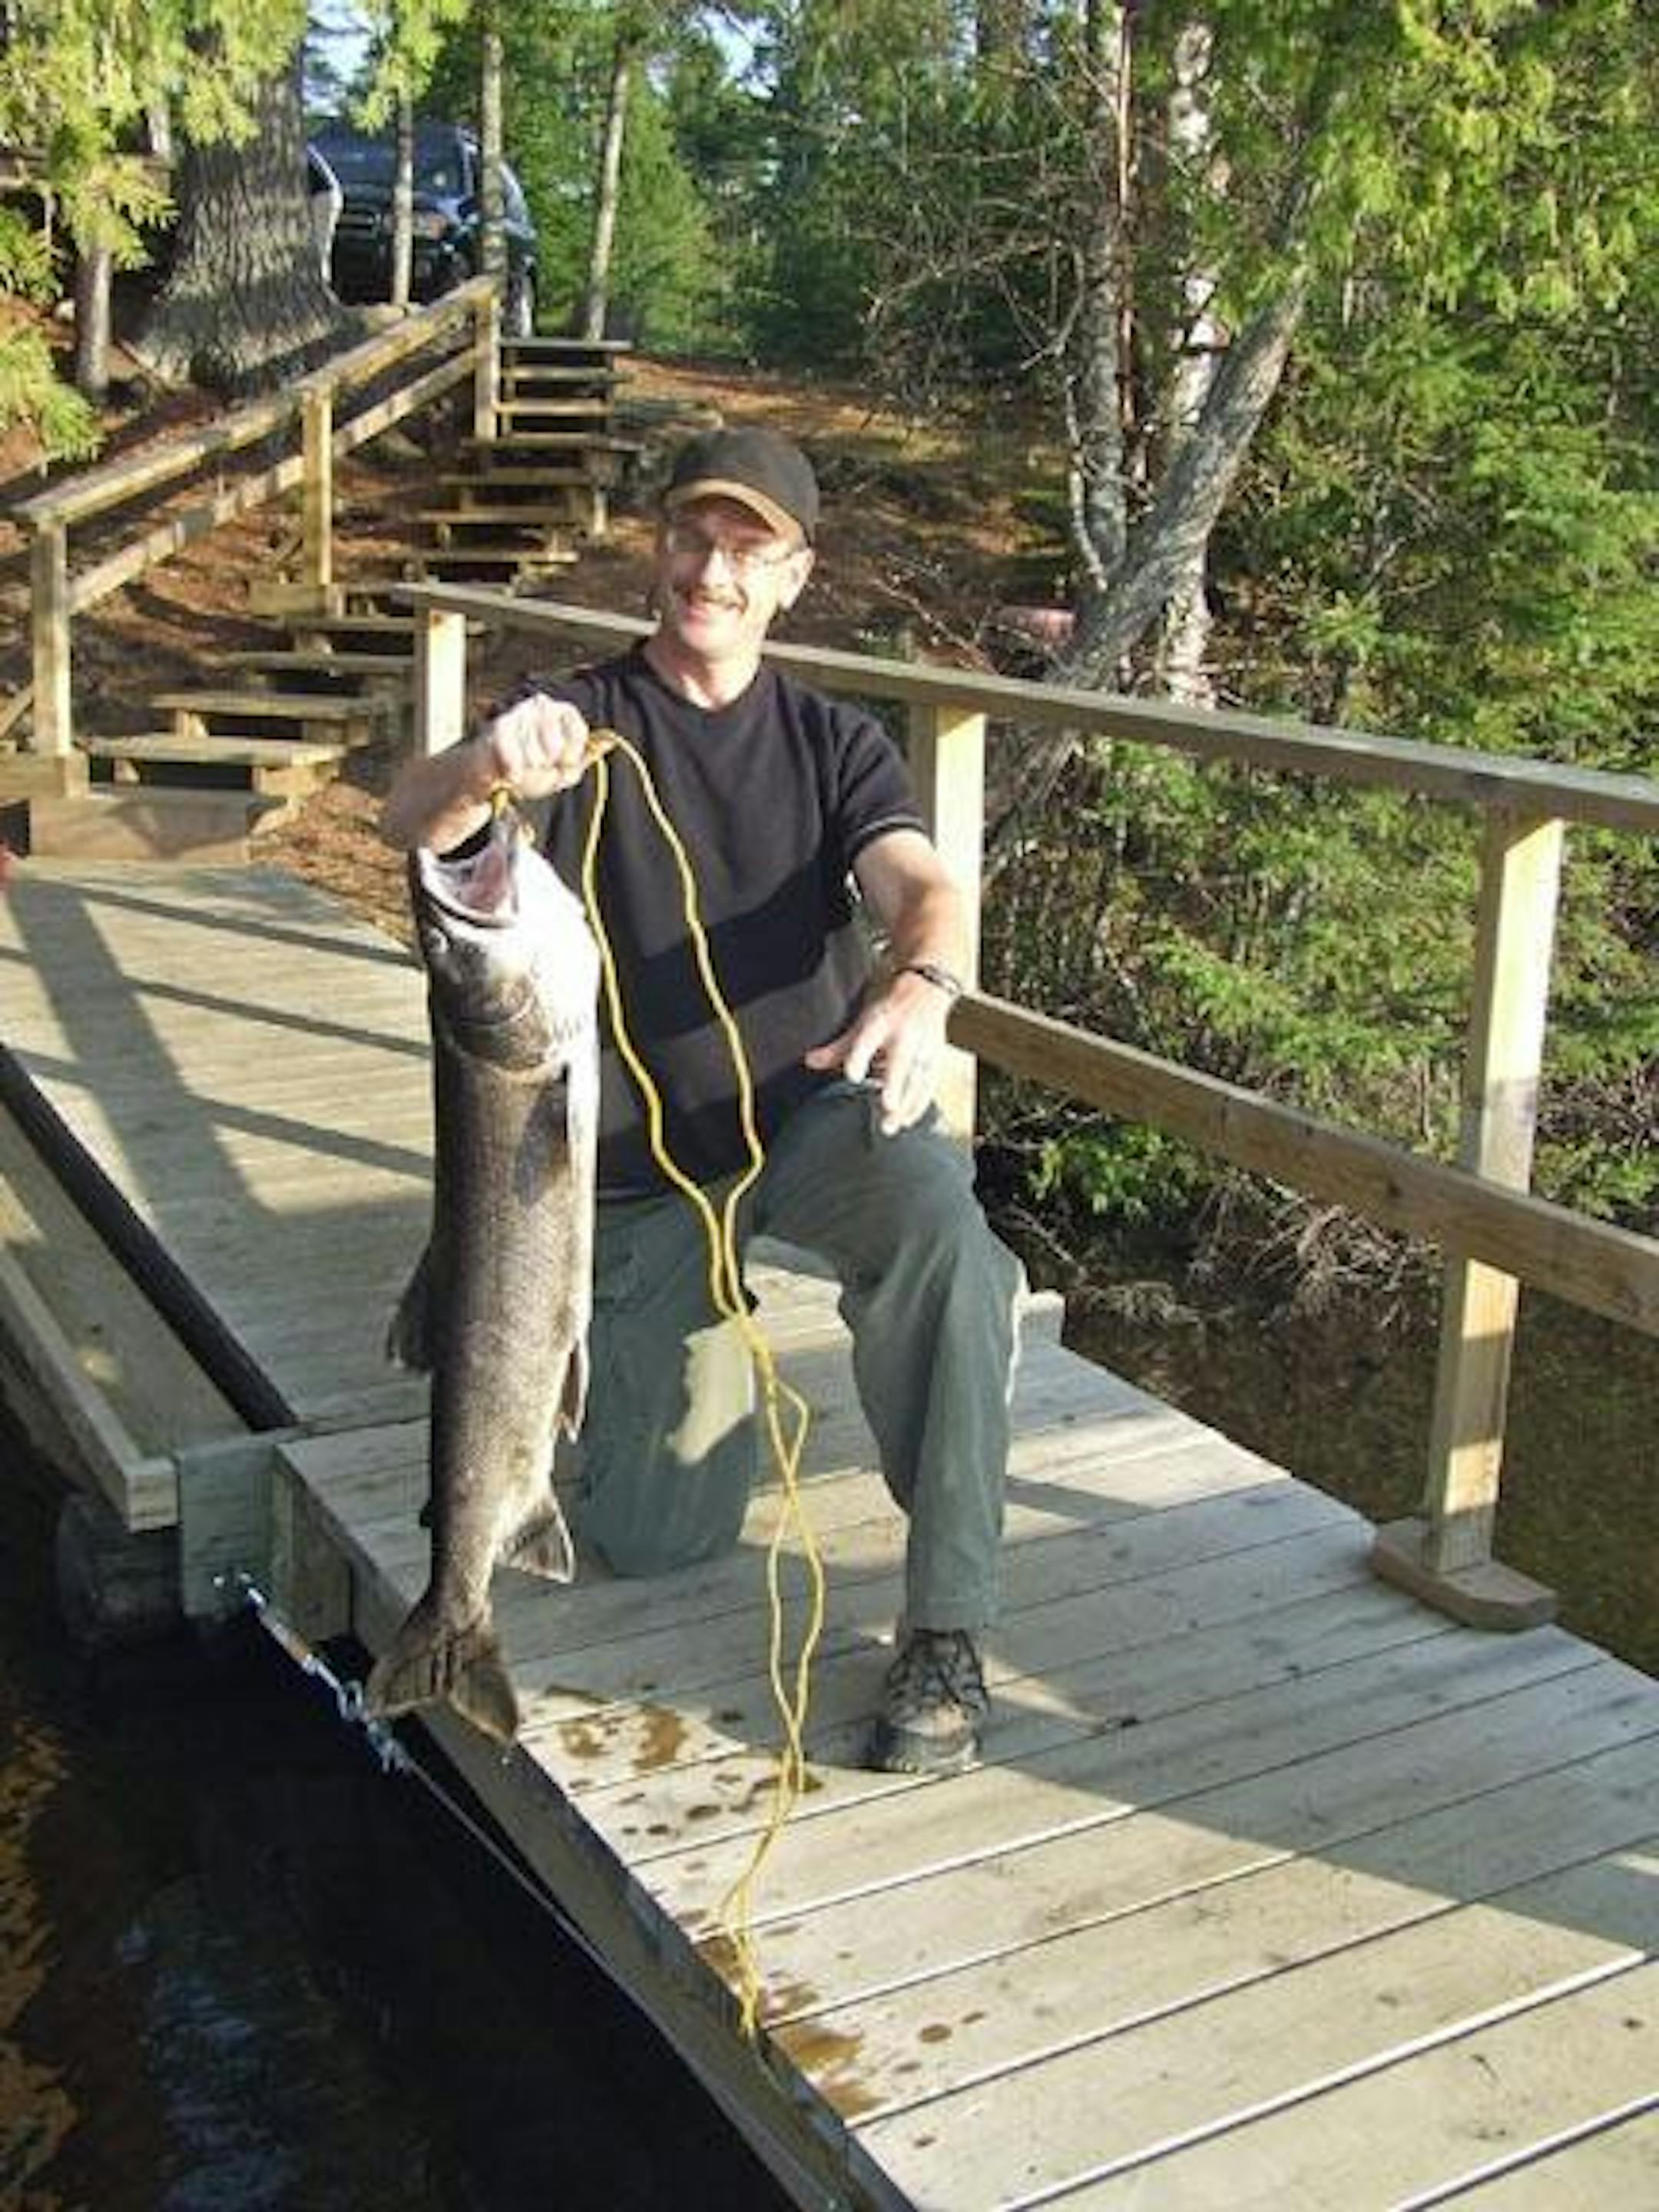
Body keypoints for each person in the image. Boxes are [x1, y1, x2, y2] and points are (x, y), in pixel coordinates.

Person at [381, 425, 1026, 1776]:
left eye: (747, 550)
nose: (711, 572)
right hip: (618, 1178)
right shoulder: (574, 722)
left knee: (949, 1245)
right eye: (691, 537)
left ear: (794, 576)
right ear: (656, 547)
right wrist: (488, 769)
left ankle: (947, 1628)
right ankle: (696, 1346)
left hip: (809, 1121)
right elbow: (416, 822)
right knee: (647, 1537)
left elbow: (924, 889)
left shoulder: (833, 743)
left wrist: (924, 985)